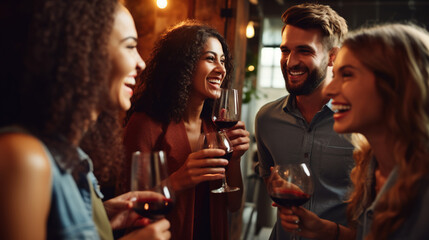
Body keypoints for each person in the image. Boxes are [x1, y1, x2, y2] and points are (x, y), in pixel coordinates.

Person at [0, 1, 170, 239]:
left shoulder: (75, 156)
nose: (141, 63)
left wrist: (101, 215)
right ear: (82, 52)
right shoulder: (22, 156)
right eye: (130, 46)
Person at [280, 23, 429, 240]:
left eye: (347, 75)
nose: (330, 90)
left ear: (397, 84)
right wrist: (327, 230)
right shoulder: (371, 166)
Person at [121, 20, 250, 240]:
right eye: (210, 58)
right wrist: (178, 180)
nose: (221, 69)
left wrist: (235, 160)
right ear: (184, 64)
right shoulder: (146, 124)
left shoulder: (214, 126)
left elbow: (234, 205)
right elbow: (125, 204)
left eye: (223, 61)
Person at [254, 3, 355, 240]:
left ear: (333, 57)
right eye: (285, 50)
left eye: (304, 51)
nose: (290, 62)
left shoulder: (360, 122)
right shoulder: (267, 119)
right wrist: (277, 187)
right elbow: (272, 185)